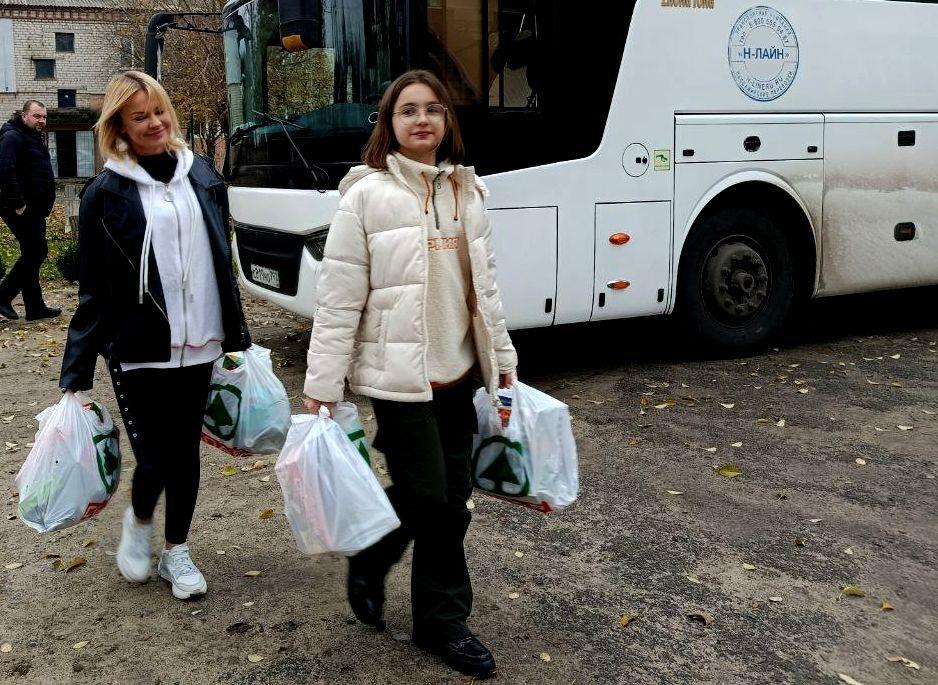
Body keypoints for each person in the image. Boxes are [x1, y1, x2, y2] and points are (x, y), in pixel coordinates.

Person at [302, 70, 517, 679]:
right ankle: (444, 621)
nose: (421, 120)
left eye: (432, 110)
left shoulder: (466, 193)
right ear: (388, 124)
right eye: (407, 111)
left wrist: (502, 362)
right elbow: (338, 297)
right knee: (433, 502)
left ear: (447, 121)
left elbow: (487, 292)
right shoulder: (366, 196)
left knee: (451, 497)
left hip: (461, 372)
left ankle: (378, 560)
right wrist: (323, 384)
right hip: (398, 378)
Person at [59, 71, 250, 600]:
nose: (154, 123)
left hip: (202, 339)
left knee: (184, 452)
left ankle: (177, 551)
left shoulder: (203, 175)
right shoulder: (105, 192)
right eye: (139, 116)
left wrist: (240, 337)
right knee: (156, 455)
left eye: (159, 111)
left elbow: (219, 258)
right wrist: (76, 370)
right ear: (118, 125)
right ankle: (140, 519)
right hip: (139, 345)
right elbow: (94, 288)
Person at [0, 100, 60, 321]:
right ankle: (3, 295)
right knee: (37, 252)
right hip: (20, 207)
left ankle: (35, 307)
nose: (42, 121)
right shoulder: (12, 137)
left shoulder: (30, 136)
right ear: (24, 115)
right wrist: (18, 203)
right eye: (37, 116)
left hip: (35, 207)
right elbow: (5, 170)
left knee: (31, 253)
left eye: (44, 117)